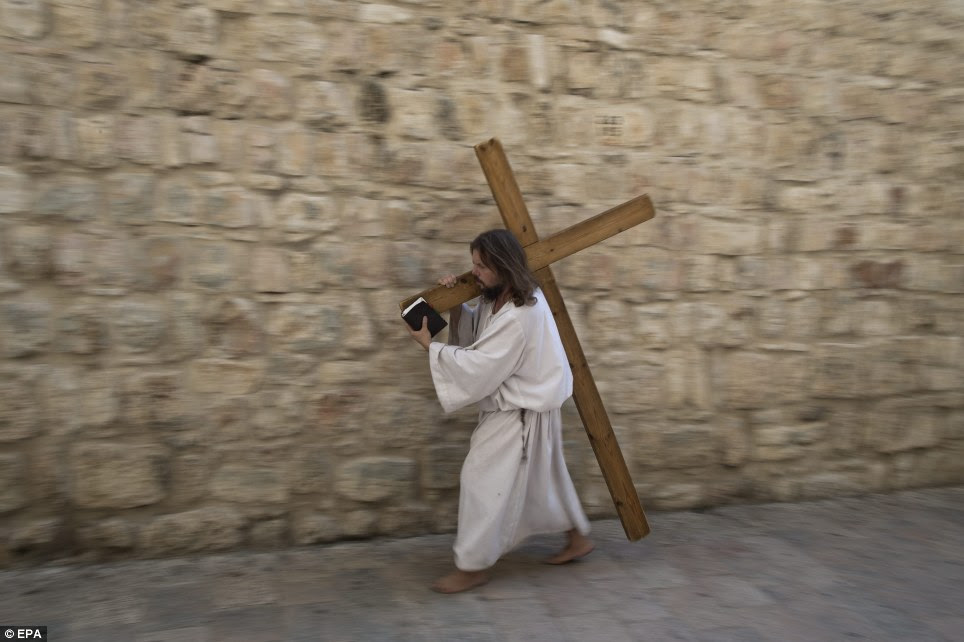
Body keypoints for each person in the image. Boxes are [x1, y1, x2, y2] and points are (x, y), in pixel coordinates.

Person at [404, 229, 593, 594]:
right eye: (473, 264)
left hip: (520, 411)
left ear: (503, 267)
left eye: (481, 266)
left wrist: (431, 348)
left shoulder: (522, 313)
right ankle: (577, 538)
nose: (475, 272)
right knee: (543, 478)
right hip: (527, 405)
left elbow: (483, 364)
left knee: (479, 480)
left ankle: (472, 567)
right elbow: (482, 333)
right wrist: (457, 302)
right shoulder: (503, 299)